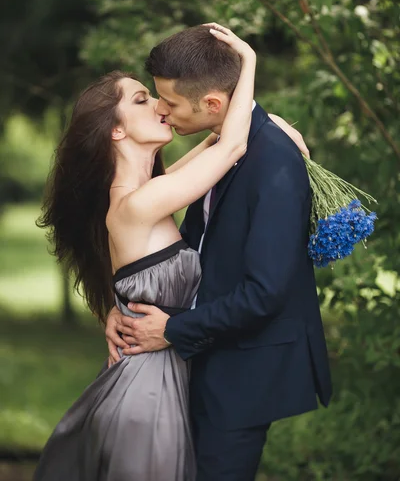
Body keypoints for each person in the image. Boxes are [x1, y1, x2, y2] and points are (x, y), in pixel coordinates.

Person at [34, 24, 302, 481]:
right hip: (146, 396)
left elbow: (217, 144)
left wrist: (266, 126)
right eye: (142, 100)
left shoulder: (149, 191)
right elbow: (231, 144)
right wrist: (248, 63)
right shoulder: (140, 203)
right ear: (116, 132)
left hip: (163, 383)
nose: (159, 106)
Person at [106, 24, 333, 480]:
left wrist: (171, 328)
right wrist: (119, 308)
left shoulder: (273, 162)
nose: (162, 111)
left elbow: (264, 292)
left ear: (211, 104)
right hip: (197, 363)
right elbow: (187, 251)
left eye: (167, 102)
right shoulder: (219, 155)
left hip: (241, 375)